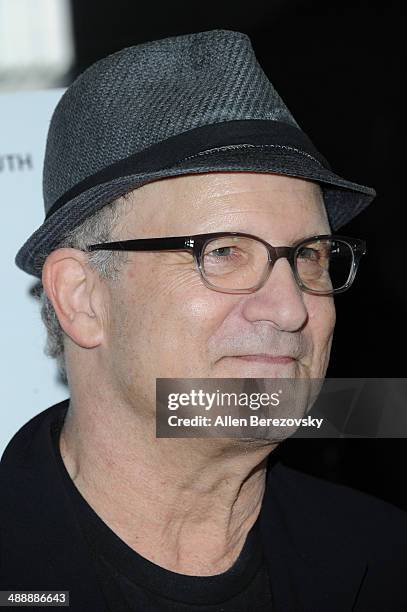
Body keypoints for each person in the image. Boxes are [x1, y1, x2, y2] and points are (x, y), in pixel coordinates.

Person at [1, 29, 406, 612]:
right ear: (83, 297)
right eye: (223, 252)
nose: (292, 309)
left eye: (310, 257)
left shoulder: (386, 560)